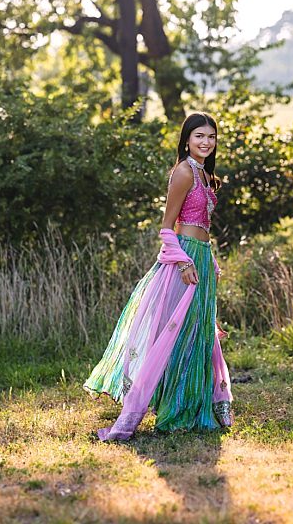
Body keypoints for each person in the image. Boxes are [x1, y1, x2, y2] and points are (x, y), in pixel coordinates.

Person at [85, 112, 235, 441]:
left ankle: (192, 406)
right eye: (199, 136)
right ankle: (170, 409)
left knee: (198, 334)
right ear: (186, 140)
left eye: (211, 137)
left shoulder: (205, 175)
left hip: (201, 259)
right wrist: (183, 262)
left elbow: (202, 228)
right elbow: (167, 229)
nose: (206, 142)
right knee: (174, 334)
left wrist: (210, 259)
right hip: (183, 262)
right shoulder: (183, 172)